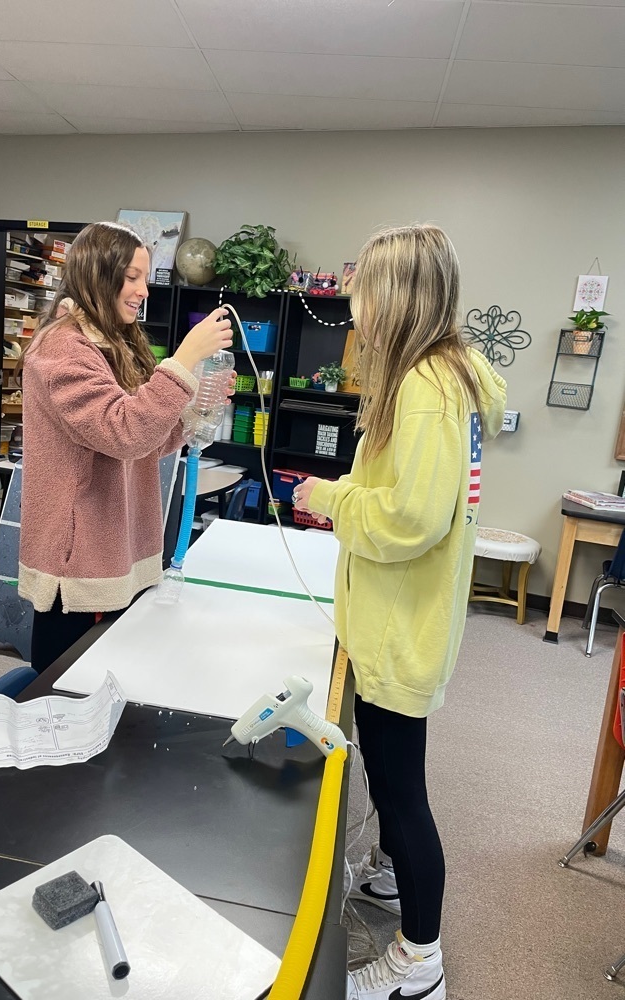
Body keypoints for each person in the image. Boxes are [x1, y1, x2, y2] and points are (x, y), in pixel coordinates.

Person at [292, 224, 507, 1000]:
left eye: (366, 292)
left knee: (401, 791)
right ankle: (388, 881)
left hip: (398, 628)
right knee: (390, 778)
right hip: (408, 619)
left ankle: (420, 962)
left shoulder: (425, 388)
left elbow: (413, 520)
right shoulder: (450, 377)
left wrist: (328, 498)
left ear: (401, 296)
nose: (355, 308)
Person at [18, 221, 234, 673]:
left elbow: (144, 442)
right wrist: (184, 361)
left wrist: (195, 406)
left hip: (118, 542)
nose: (144, 290)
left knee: (109, 686)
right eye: (132, 277)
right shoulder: (62, 349)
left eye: (146, 277)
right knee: (65, 696)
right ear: (98, 274)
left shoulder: (115, 341)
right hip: (80, 561)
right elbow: (124, 431)